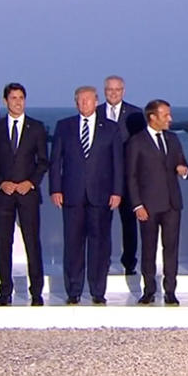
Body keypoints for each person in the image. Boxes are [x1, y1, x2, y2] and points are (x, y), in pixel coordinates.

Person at [49, 86, 123, 305]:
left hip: (101, 196)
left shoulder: (110, 128)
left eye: (88, 100)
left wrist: (117, 191)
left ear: (96, 101)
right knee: (73, 245)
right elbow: (56, 162)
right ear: (76, 103)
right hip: (72, 195)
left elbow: (117, 163)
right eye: (80, 101)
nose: (84, 104)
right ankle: (73, 290)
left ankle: (98, 291)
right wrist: (55, 188)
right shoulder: (65, 126)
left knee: (100, 245)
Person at [0, 83, 49, 306]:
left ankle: (37, 291)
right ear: (5, 101)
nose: (18, 102)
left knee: (32, 242)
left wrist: (30, 182)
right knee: (4, 244)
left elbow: (42, 161)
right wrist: (2, 183)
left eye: (21, 97)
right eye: (13, 98)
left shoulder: (37, 127)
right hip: (4, 195)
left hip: (27, 194)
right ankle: (5, 291)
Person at [126, 99, 188, 305]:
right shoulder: (136, 142)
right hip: (148, 205)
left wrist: (183, 170)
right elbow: (131, 176)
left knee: (171, 248)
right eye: (165, 115)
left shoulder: (172, 139)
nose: (170, 119)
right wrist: (137, 204)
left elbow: (181, 161)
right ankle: (149, 289)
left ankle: (170, 290)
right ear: (152, 117)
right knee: (149, 248)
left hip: (172, 203)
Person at [96, 75, 146, 275]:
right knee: (101, 222)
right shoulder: (96, 112)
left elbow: (141, 145)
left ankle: (129, 263)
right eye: (110, 89)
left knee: (129, 222)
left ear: (123, 91)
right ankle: (102, 261)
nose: (114, 93)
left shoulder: (135, 113)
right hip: (101, 178)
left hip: (127, 178)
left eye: (117, 90)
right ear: (104, 91)